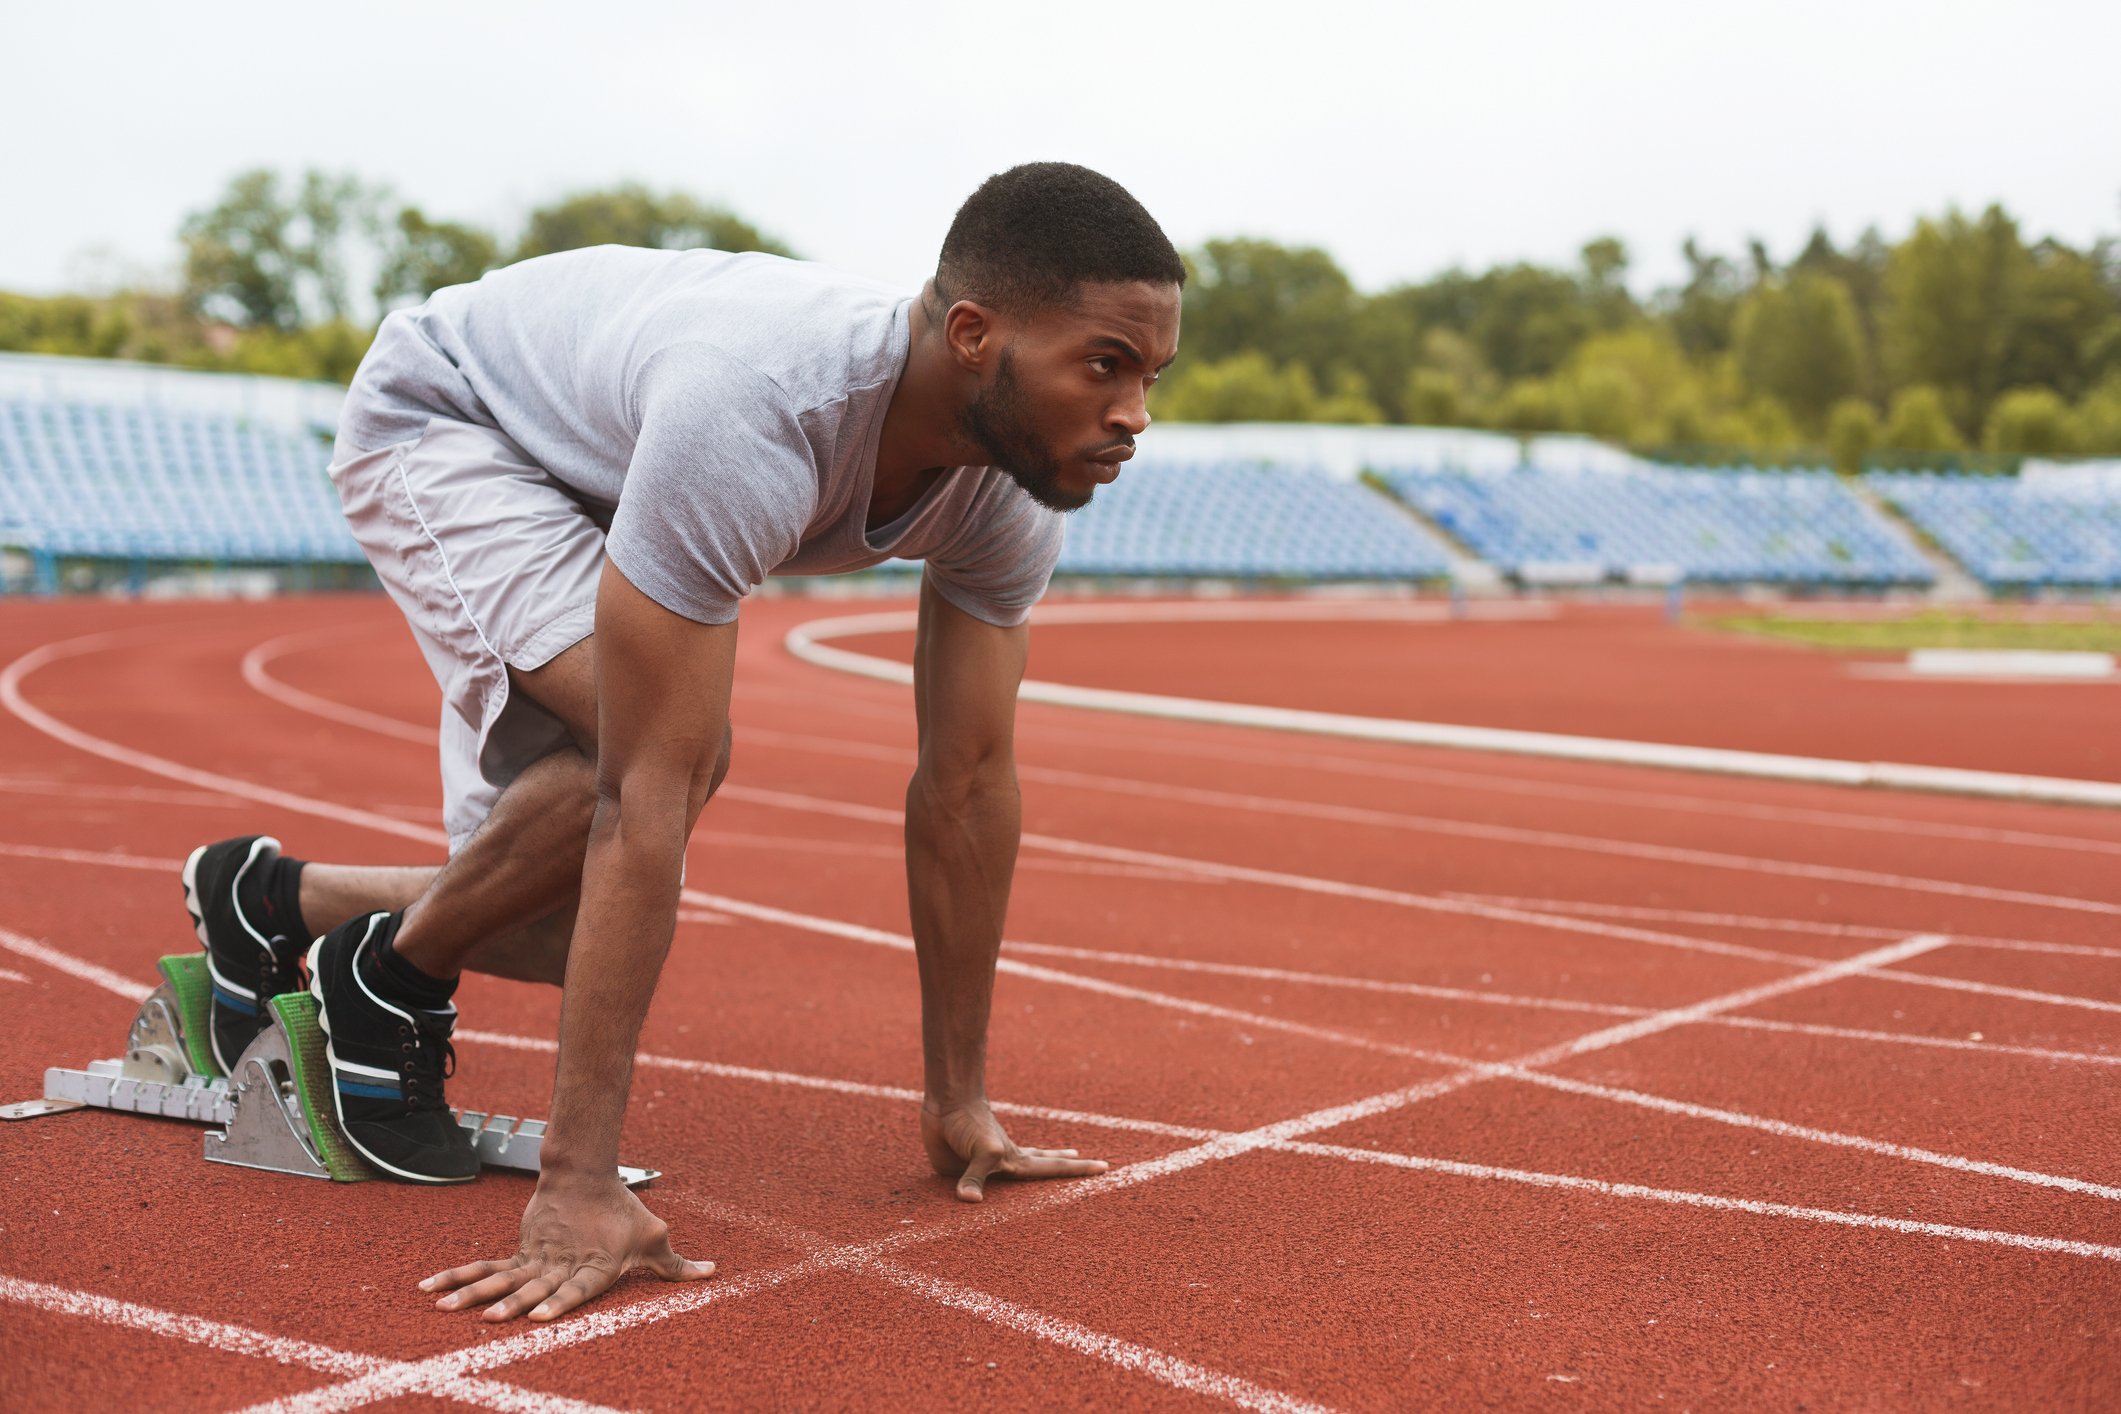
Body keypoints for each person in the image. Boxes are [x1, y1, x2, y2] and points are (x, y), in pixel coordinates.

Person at [180, 161, 1184, 1323]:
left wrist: (960, 1103)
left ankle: (282, 904)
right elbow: (643, 791)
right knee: (674, 756)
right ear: (973, 334)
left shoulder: (1011, 481)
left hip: (620, 450)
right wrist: (578, 1185)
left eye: (1152, 375)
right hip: (463, 421)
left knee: (568, 927)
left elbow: (965, 783)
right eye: (1104, 365)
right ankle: (393, 971)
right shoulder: (760, 405)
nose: (1134, 416)